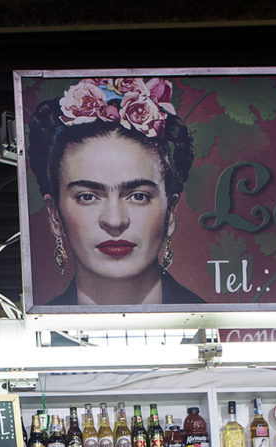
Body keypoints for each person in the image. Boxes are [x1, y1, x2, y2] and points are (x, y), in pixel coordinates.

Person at [27, 75, 205, 307]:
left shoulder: (224, 324)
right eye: (88, 197)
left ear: (170, 211)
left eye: (138, 196)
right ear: (54, 214)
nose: (114, 220)